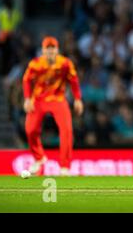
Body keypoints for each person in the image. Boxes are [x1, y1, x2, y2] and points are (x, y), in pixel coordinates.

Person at [22, 36, 84, 176]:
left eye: (53, 49)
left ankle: (65, 167)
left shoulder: (65, 63)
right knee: (30, 130)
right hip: (38, 100)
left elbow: (74, 80)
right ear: (43, 51)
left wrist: (78, 99)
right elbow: (26, 80)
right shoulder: (35, 64)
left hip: (58, 98)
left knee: (67, 130)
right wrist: (27, 99)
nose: (50, 52)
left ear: (57, 50)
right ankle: (39, 158)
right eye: (47, 49)